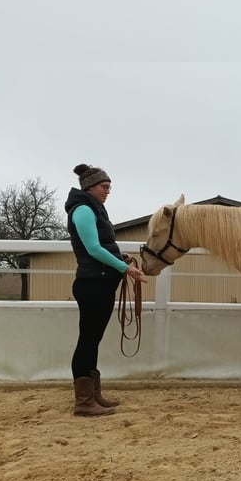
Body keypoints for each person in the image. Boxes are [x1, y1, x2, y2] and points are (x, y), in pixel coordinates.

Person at [64, 163, 145, 416]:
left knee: (92, 340)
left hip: (99, 282)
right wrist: (124, 267)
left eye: (109, 187)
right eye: (104, 186)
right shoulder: (84, 210)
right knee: (88, 340)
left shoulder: (94, 209)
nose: (108, 191)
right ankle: (84, 401)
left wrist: (119, 256)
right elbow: (93, 248)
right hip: (93, 283)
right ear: (90, 187)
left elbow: (103, 246)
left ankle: (93, 395)